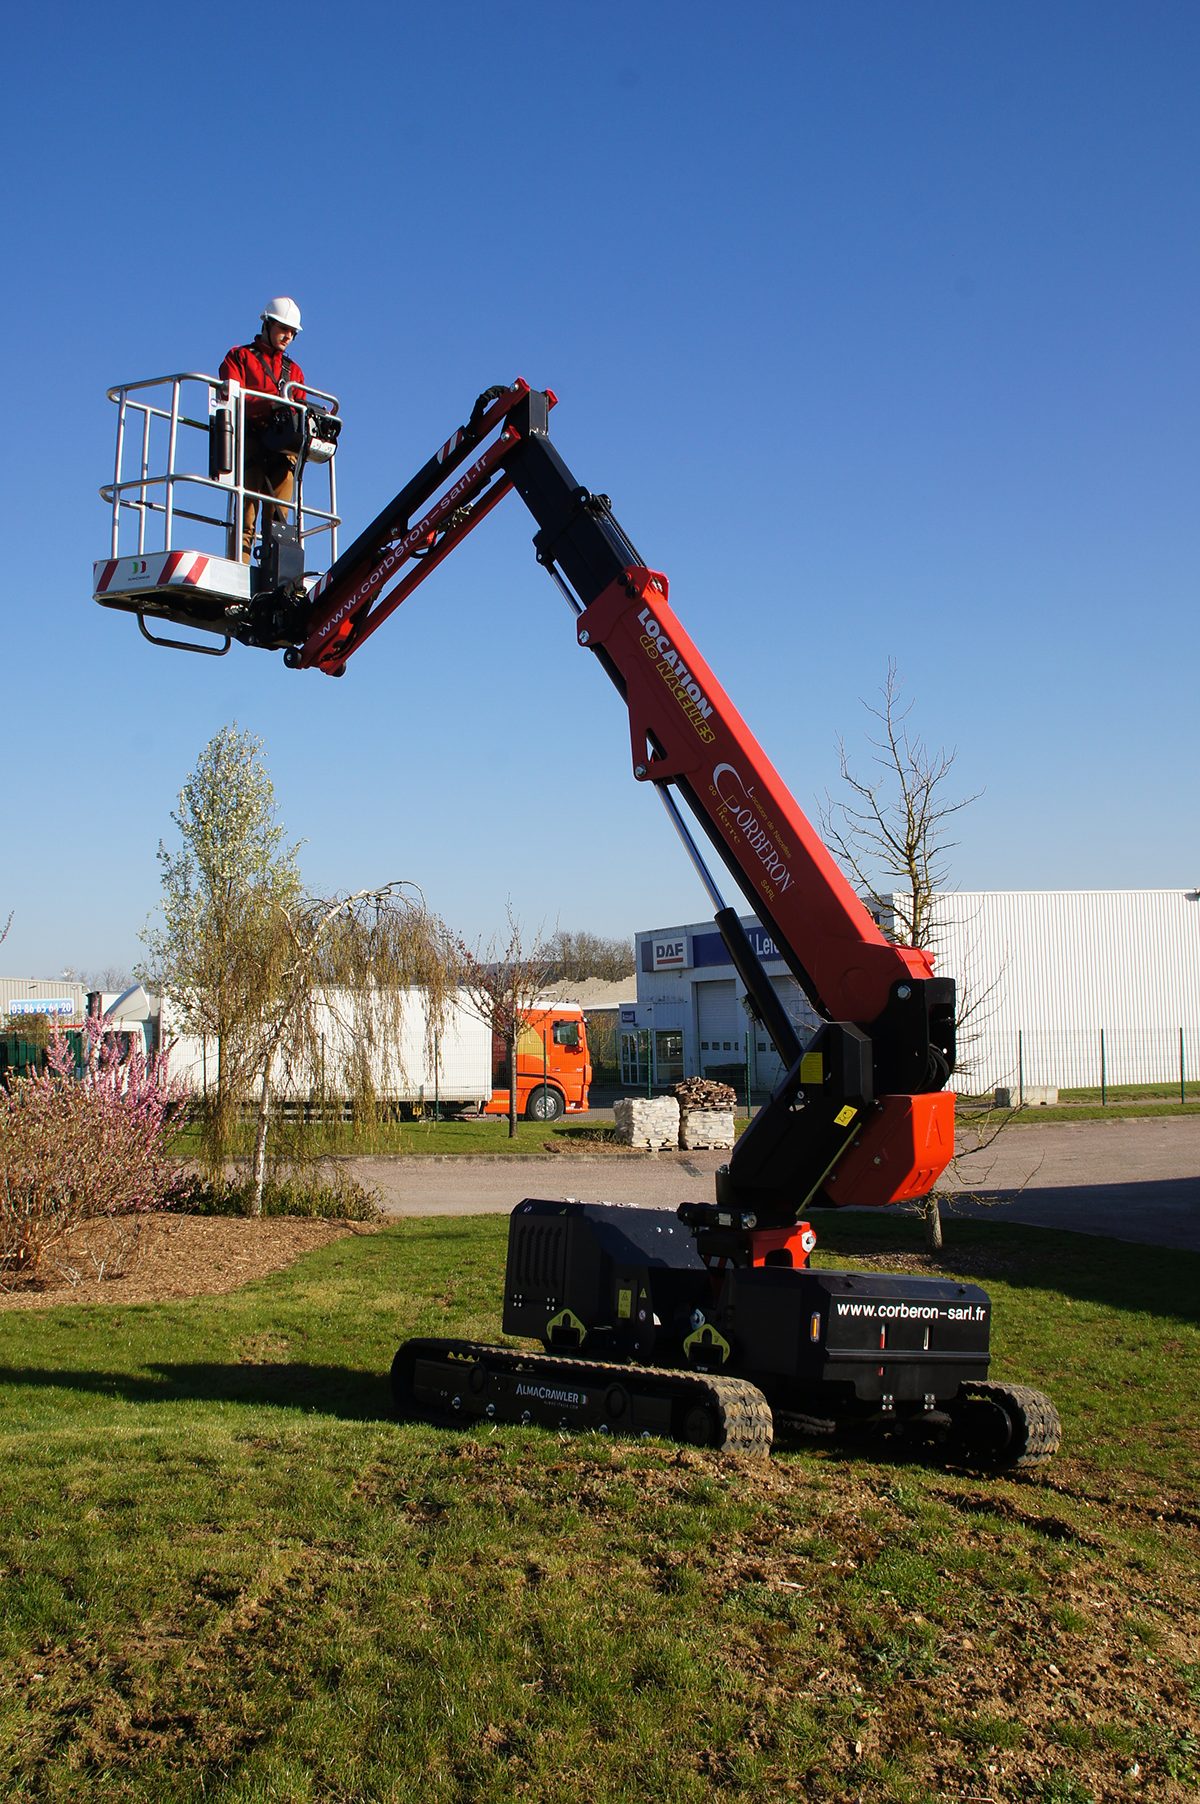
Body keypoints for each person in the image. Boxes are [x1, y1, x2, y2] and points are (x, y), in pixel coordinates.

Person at [219, 298, 307, 562]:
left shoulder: (295, 371)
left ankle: (274, 579)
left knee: (279, 523)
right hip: (250, 442)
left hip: (282, 450)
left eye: (293, 332)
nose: (288, 336)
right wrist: (271, 405)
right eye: (283, 328)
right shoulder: (239, 357)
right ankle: (240, 568)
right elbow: (230, 397)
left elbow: (301, 409)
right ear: (267, 323)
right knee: (246, 516)